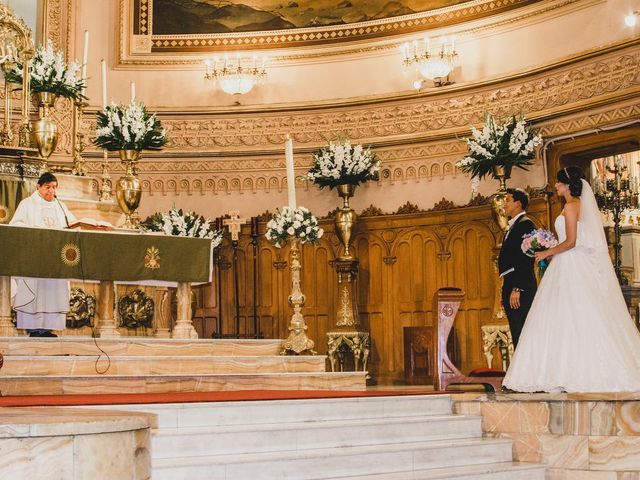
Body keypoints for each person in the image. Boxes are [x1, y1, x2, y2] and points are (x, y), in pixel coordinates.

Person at [503, 166, 640, 392]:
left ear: (567, 185)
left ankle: (566, 371)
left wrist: (546, 252)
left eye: (558, 183)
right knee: (570, 314)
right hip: (571, 262)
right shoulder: (580, 206)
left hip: (570, 262)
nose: (555, 186)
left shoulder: (571, 206)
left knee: (570, 313)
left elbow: (571, 241)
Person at [10, 172, 77, 337]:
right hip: (34, 257)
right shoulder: (27, 204)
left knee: (52, 293)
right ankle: (33, 328)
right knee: (36, 292)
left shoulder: (60, 205)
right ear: (39, 186)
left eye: (54, 187)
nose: (51, 191)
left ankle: (48, 328)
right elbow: (15, 225)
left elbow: (73, 225)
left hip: (55, 258)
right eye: (48, 187)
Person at [497, 188, 536, 347]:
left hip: (520, 285)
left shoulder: (525, 224)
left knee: (521, 329)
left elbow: (525, 258)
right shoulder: (514, 225)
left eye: (507, 200)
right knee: (516, 329)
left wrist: (517, 288)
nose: (504, 204)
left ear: (518, 203)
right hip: (511, 282)